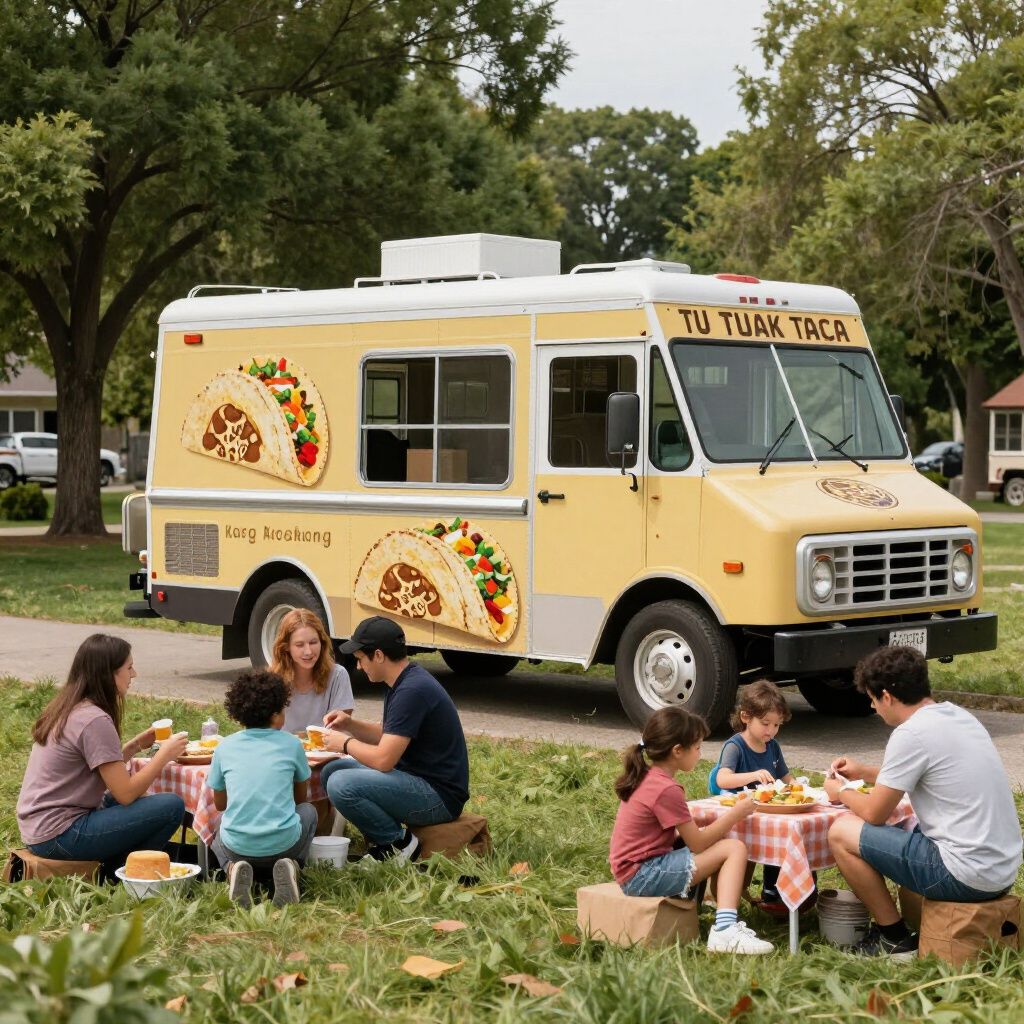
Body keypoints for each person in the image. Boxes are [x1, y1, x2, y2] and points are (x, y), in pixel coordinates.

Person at [826, 646, 1023, 959]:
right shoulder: (958, 716)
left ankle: (893, 938)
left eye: (873, 700)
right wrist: (864, 772)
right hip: (1000, 870)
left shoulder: (911, 734)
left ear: (887, 697)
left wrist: (840, 792)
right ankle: (910, 928)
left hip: (964, 874)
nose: (875, 709)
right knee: (911, 829)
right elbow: (927, 771)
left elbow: (875, 814)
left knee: (841, 831)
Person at [609, 706, 774, 955]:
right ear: (677, 751)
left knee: (718, 840)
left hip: (632, 870)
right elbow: (698, 843)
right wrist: (736, 813)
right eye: (697, 747)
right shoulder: (667, 789)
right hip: (642, 875)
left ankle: (712, 912)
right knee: (733, 848)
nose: (700, 754)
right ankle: (725, 931)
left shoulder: (647, 776)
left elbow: (674, 834)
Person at [16, 634, 187, 874]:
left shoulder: (69, 707)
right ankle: (123, 873)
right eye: (129, 668)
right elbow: (125, 793)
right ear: (109, 674)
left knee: (132, 800)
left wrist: (135, 745)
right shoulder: (95, 720)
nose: (134, 674)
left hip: (39, 828)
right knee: (171, 806)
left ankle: (125, 863)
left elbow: (96, 767)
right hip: (60, 835)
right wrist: (164, 755)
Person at [319, 616, 469, 863]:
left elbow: (383, 759)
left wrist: (344, 743)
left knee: (341, 784)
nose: (358, 667)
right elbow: (389, 734)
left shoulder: (411, 690)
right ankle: (385, 841)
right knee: (332, 770)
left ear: (378, 655)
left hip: (438, 797)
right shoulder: (402, 680)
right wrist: (349, 725)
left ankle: (397, 844)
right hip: (416, 778)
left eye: (360, 659)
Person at [208, 670, 317, 908]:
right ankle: (292, 865)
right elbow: (300, 798)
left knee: (218, 822)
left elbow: (220, 805)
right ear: (276, 714)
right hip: (285, 844)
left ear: (238, 714)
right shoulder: (292, 744)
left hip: (238, 848)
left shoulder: (224, 747)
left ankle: (232, 869)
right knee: (309, 811)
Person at [710, 680, 805, 915]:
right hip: (738, 815)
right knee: (759, 844)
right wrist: (752, 775)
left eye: (776, 725)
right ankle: (731, 892)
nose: (771, 730)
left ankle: (774, 890)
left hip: (765, 813)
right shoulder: (736, 746)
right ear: (745, 717)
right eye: (765, 724)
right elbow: (722, 779)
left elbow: (785, 776)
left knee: (784, 835)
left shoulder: (772, 746)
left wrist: (798, 788)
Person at [271, 608, 353, 735]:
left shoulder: (338, 675)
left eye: (313, 642)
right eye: (300, 645)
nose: (308, 651)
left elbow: (342, 729)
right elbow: (265, 730)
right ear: (286, 647)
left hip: (327, 750)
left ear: (322, 642)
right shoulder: (272, 679)